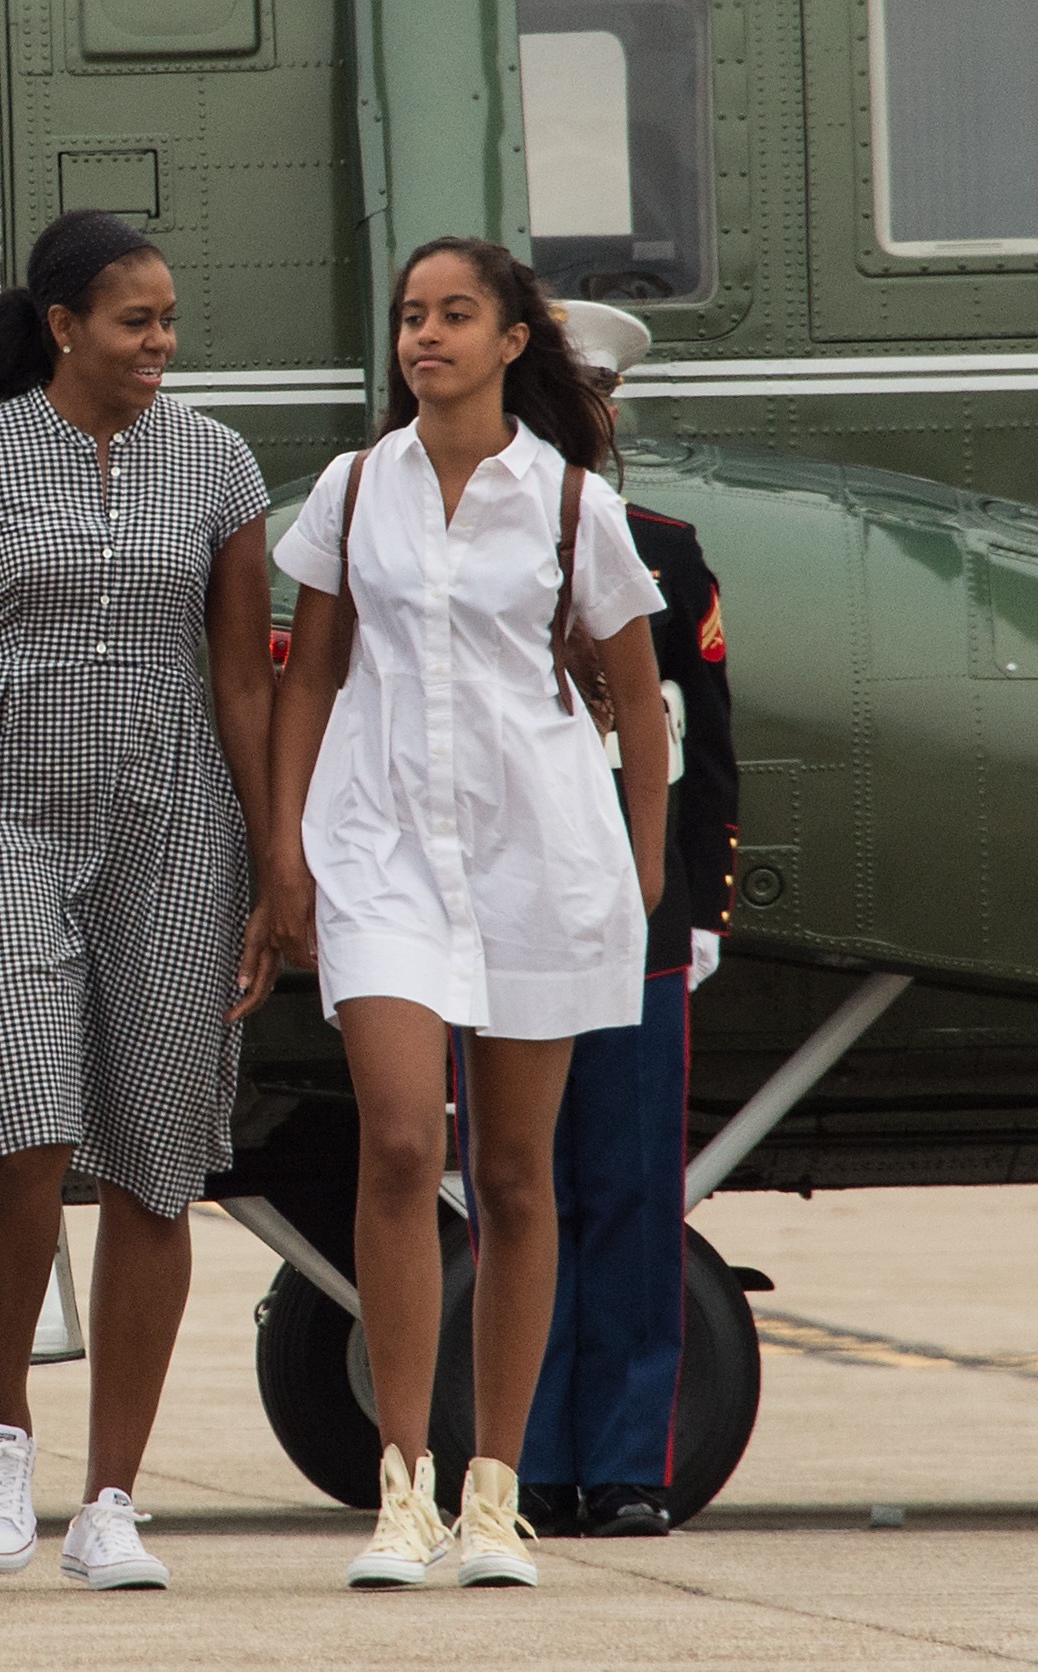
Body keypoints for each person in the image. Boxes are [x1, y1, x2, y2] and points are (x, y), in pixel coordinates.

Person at [0, 209, 279, 1592]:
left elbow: (245, 683)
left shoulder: (220, 465)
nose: (162, 344)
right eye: (137, 320)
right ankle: (5, 1427)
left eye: (169, 322)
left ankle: (115, 1499)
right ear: (65, 324)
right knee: (16, 1134)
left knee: (154, 1156)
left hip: (174, 824)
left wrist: (279, 865)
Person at [265, 237, 670, 1590]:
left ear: (509, 343)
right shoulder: (351, 487)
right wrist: (285, 848)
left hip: (536, 853)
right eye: (409, 317)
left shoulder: (567, 505)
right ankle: (402, 1488)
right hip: (378, 844)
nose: (424, 336)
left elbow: (641, 696)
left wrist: (649, 864)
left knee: (512, 1175)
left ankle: (495, 1494)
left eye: (454, 316)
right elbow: (311, 672)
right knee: (395, 1142)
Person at [455, 300, 740, 1540]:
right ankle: (529, 1460)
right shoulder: (459, 539)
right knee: (519, 1187)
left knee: (627, 1190)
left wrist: (696, 904)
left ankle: (624, 1464)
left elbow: (704, 743)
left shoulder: (665, 552)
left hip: (634, 910)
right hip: (507, 902)